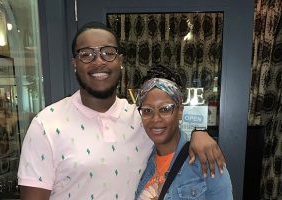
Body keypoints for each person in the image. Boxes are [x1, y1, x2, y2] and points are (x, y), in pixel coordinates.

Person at [17, 21, 226, 200]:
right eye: (87, 54)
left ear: (120, 61)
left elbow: (169, 123)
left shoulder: (138, 117)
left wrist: (199, 132)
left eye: (108, 53)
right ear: (75, 64)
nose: (98, 61)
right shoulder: (46, 125)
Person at [135, 78, 233, 199]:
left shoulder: (204, 159)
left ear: (180, 110)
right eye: (147, 111)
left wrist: (200, 132)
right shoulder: (142, 161)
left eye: (165, 109)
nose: (155, 119)